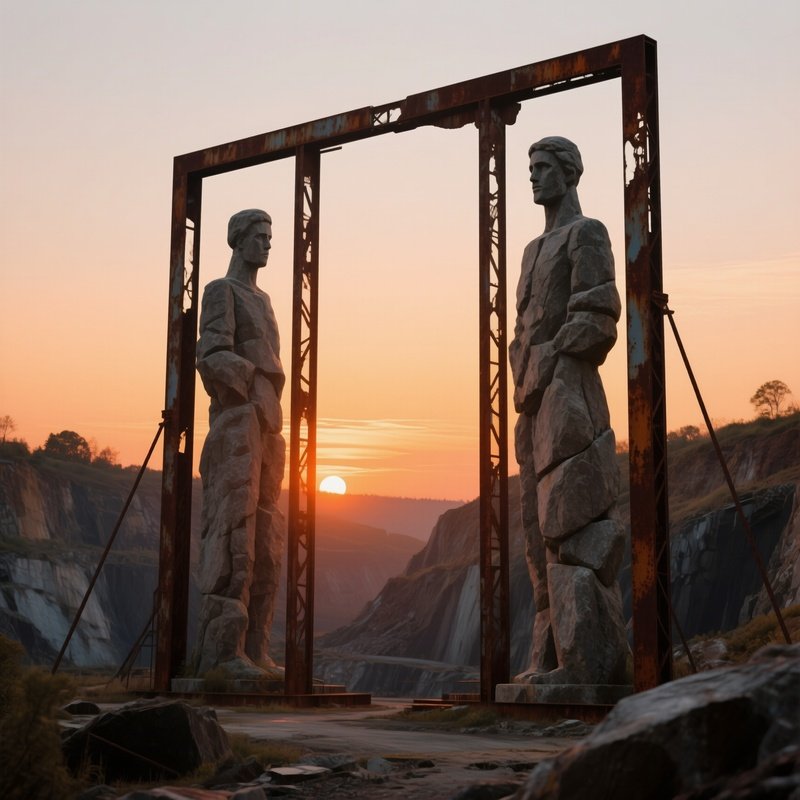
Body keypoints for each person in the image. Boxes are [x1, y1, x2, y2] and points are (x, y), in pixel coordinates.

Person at [509, 138, 628, 686]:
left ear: (570, 172)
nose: (533, 177)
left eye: (543, 168)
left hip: (569, 393)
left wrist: (553, 359)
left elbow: (600, 312)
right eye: (529, 168)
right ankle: (549, 656)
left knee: (573, 524)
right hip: (531, 401)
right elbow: (520, 328)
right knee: (537, 535)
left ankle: (586, 659)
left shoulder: (588, 233)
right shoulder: (533, 250)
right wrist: (524, 375)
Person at [194, 209, 286, 678]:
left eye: (270, 237)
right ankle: (223, 652)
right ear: (237, 240)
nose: (267, 244)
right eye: (259, 236)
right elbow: (210, 354)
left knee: (268, 537)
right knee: (235, 531)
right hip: (237, 419)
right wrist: (251, 385)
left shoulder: (265, 299)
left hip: (269, 423)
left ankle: (258, 648)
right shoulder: (220, 290)